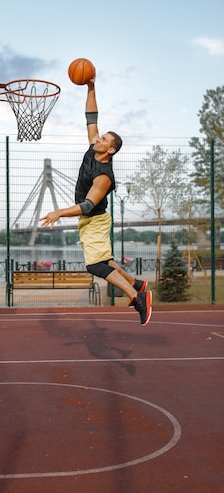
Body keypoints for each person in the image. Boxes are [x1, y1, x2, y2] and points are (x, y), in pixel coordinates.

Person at [39, 79, 152, 326]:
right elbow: (91, 117)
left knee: (96, 266)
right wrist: (91, 88)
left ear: (110, 150)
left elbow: (88, 206)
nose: (98, 138)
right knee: (105, 261)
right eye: (101, 137)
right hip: (88, 221)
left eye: (104, 139)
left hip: (95, 220)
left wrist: (59, 212)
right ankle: (136, 284)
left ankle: (137, 296)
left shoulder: (104, 176)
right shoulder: (93, 147)